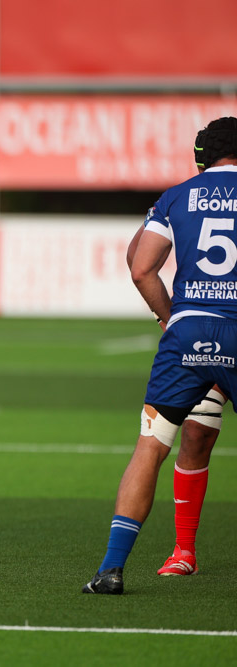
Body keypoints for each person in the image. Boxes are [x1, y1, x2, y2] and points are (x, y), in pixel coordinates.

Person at [83, 116, 237, 594]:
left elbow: (141, 265)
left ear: (201, 156)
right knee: (196, 435)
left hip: (188, 334)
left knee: (152, 444)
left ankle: (111, 569)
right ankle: (183, 551)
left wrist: (172, 320)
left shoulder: (177, 195)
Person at [125, 224, 226, 577]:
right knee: (197, 431)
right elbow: (137, 256)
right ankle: (184, 550)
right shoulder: (182, 198)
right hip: (203, 336)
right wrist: (167, 318)